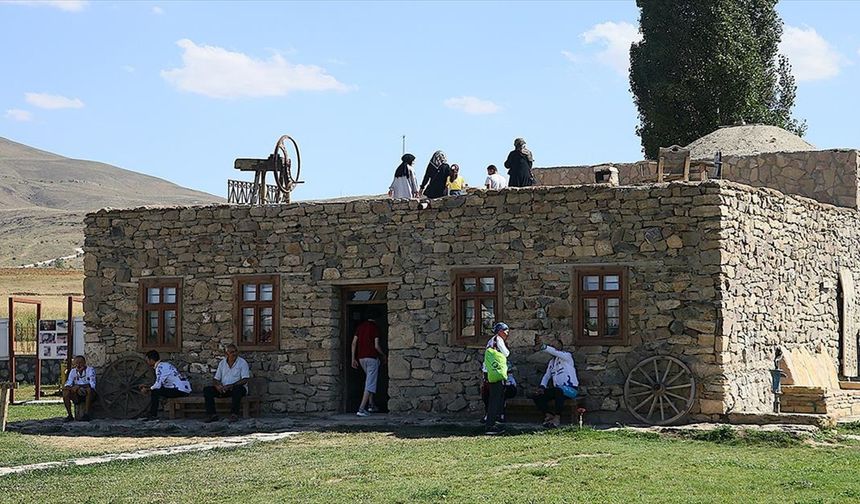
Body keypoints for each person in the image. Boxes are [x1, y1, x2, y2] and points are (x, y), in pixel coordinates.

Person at [532, 338, 579, 428]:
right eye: (551, 346)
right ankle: (549, 415)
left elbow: (556, 352)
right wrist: (542, 387)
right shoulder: (552, 362)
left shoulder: (567, 356)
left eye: (554, 346)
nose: (552, 348)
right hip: (558, 391)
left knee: (558, 391)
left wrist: (543, 347)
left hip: (571, 389)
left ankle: (557, 417)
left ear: (560, 346)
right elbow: (546, 376)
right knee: (537, 395)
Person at [203, 344, 251, 423]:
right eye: (232, 352)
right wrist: (218, 386)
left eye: (235, 351)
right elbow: (216, 379)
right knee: (207, 390)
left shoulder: (242, 362)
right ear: (227, 354)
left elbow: (245, 379)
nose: (234, 354)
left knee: (237, 389)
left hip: (237, 388)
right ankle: (212, 415)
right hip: (224, 389)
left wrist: (231, 385)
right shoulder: (222, 363)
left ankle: (234, 414)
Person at [138, 350, 191, 421]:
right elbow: (161, 383)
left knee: (155, 392)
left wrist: (147, 389)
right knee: (157, 390)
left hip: (179, 390)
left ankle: (153, 414)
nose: (147, 362)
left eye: (147, 360)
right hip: (183, 389)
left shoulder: (160, 368)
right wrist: (148, 387)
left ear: (151, 360)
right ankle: (152, 413)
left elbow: (157, 386)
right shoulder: (165, 365)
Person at [351, 317, 387, 416]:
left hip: (361, 358)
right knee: (370, 383)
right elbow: (376, 346)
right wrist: (383, 355)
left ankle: (371, 405)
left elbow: (354, 343)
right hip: (372, 358)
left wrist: (353, 358)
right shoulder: (375, 328)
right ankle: (361, 409)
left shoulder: (360, 327)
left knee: (369, 381)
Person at [483, 322, 511, 435]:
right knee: (495, 399)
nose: (507, 333)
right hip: (495, 373)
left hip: (488, 372)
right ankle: (490, 426)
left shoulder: (491, 341)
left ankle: (493, 421)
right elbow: (506, 353)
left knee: (495, 398)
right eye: (506, 330)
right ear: (500, 331)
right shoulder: (498, 340)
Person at [62, 355, 96, 422]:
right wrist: (70, 388)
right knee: (65, 392)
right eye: (76, 363)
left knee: (89, 390)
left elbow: (92, 385)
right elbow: (69, 383)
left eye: (80, 363)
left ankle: (86, 414)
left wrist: (79, 387)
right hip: (76, 394)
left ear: (84, 363)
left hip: (89, 394)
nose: (78, 365)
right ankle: (70, 415)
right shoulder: (73, 371)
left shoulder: (90, 370)